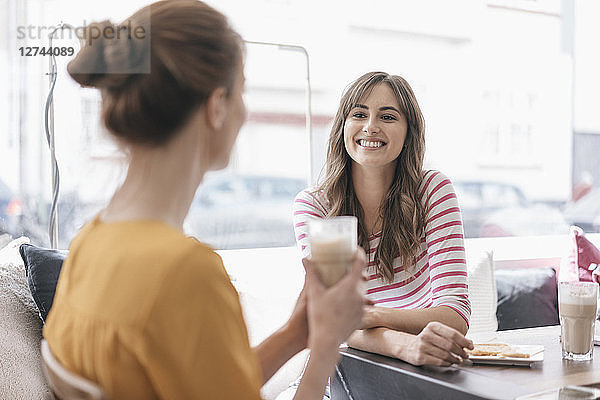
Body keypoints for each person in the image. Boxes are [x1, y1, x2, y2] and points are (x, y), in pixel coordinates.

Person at [43, 2, 367, 399]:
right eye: (242, 92)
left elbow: (196, 384)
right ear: (216, 106)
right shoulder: (186, 274)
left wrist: (294, 335)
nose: (244, 112)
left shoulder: (89, 244)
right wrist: (326, 349)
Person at [292, 71, 474, 374]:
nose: (371, 127)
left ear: (408, 132)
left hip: (424, 374)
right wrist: (404, 345)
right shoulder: (316, 206)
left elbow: (454, 313)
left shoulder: (432, 191)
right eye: (359, 114)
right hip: (343, 371)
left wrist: (375, 317)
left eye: (388, 117)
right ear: (343, 127)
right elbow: (334, 318)